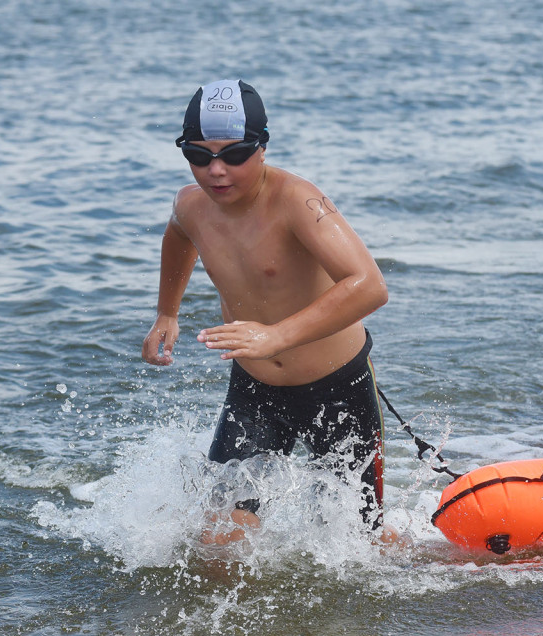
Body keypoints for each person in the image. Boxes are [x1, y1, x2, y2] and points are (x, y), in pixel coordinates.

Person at [141, 78, 390, 537]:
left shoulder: (298, 201)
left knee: (361, 546)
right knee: (219, 538)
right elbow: (177, 235)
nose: (216, 171)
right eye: (198, 155)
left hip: (337, 389)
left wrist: (276, 335)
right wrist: (167, 313)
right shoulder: (191, 205)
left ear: (262, 147)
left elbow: (370, 286)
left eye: (233, 154)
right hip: (255, 390)